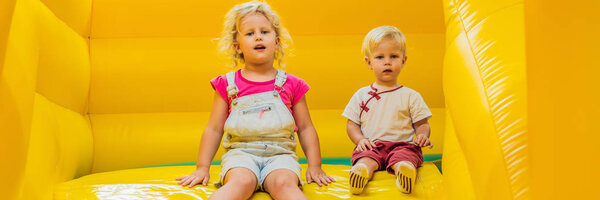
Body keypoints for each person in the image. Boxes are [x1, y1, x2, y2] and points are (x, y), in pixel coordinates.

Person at [176, 1, 334, 199]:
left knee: (283, 183)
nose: (258, 36)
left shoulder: (292, 84)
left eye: (265, 31)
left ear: (277, 42)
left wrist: (315, 166)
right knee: (242, 182)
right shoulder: (227, 84)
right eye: (249, 33)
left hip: (280, 156)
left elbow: (306, 128)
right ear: (238, 47)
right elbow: (214, 129)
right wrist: (202, 168)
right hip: (241, 155)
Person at [343, 26, 433, 194]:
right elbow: (352, 124)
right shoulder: (361, 94)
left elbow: (422, 123)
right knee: (366, 158)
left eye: (394, 56)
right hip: (373, 145)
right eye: (379, 57)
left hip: (402, 145)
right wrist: (360, 140)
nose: (387, 62)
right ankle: (361, 171)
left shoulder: (410, 96)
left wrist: (422, 135)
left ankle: (404, 171)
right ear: (369, 62)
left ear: (403, 60)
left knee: (405, 158)